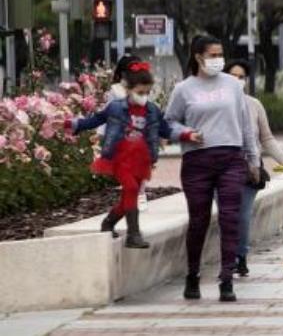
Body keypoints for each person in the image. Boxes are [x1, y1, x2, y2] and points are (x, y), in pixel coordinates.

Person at [164, 35, 260, 303]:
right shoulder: (184, 89)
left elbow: (245, 125)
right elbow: (168, 123)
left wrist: (253, 160)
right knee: (199, 221)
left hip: (231, 158)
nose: (219, 59)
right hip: (197, 162)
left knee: (231, 220)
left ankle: (227, 279)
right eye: (213, 55)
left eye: (221, 54)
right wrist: (185, 133)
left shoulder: (232, 86)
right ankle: (192, 275)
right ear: (198, 57)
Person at [67, 60, 198, 249]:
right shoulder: (115, 107)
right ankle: (133, 234)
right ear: (128, 89)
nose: (144, 96)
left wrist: (186, 134)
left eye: (147, 92)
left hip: (141, 158)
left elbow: (165, 130)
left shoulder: (152, 110)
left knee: (131, 194)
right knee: (129, 188)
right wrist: (72, 124)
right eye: (140, 92)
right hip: (120, 156)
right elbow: (95, 120)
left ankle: (109, 222)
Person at [224, 59, 283, 278]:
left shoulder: (254, 105)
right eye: (232, 76)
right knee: (227, 215)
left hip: (250, 170)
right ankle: (228, 258)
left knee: (243, 215)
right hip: (222, 168)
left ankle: (240, 257)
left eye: (241, 77)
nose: (237, 81)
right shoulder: (217, 105)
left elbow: (266, 139)